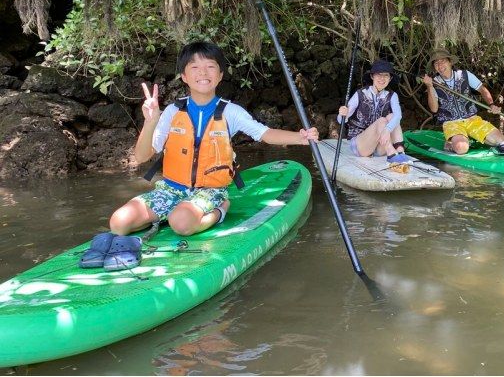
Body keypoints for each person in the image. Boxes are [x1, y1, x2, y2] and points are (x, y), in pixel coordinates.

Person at [79, 41, 318, 271]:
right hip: (171, 189)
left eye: (210, 66)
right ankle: (167, 212)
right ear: (184, 76)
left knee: (180, 223)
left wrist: (301, 137)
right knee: (118, 223)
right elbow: (142, 156)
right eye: (194, 67)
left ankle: (220, 209)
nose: (203, 72)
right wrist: (151, 121)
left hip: (210, 190)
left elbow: (264, 133)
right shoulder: (173, 111)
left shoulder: (230, 112)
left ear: (220, 75)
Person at [422, 48, 504, 156]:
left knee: (501, 140)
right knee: (461, 149)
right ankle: (449, 144)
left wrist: (491, 104)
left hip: (472, 119)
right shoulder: (433, 83)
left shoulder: (465, 74)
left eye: (442, 61)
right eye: (436, 63)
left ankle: (477, 138)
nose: (440, 65)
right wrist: (429, 87)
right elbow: (434, 109)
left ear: (450, 62)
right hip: (451, 122)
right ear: (434, 67)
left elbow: (482, 90)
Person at [338, 60, 412, 164]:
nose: (382, 78)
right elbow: (340, 121)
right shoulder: (360, 93)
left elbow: (398, 116)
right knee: (382, 121)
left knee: (392, 116)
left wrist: (387, 130)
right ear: (372, 76)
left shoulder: (392, 95)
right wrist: (342, 114)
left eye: (386, 75)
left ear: (390, 78)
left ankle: (400, 151)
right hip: (361, 146)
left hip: (380, 146)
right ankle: (391, 154)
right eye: (378, 75)